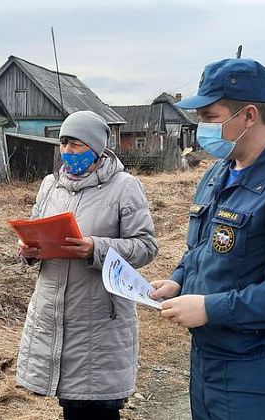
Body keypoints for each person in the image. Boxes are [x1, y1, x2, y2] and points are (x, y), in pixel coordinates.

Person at [150, 58, 265, 419]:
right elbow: (202, 250)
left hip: (258, 371)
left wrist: (209, 308)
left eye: (209, 116)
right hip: (208, 361)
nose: (201, 127)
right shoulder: (218, 174)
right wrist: (178, 280)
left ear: (249, 115)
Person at [16, 110, 159, 420]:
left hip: (98, 322)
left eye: (76, 144)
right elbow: (36, 231)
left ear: (96, 149)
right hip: (55, 316)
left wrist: (96, 248)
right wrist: (29, 250)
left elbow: (146, 246)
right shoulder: (51, 185)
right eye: (63, 143)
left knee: (96, 407)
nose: (67, 151)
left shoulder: (124, 186)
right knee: (71, 405)